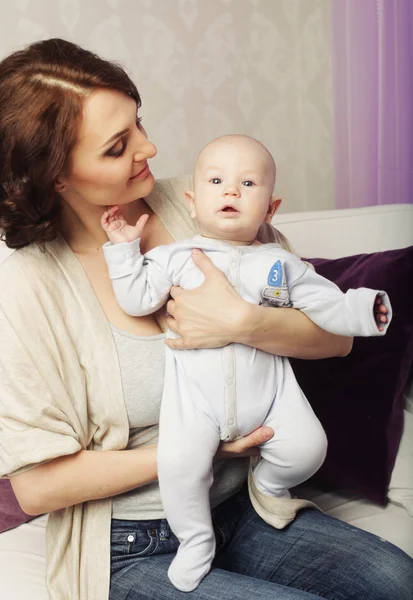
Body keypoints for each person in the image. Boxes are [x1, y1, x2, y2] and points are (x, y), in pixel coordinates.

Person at [0, 38, 411, 600]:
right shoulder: (25, 286)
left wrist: (244, 322)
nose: (150, 146)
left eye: (138, 121)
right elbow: (36, 487)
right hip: (132, 543)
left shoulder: (199, 201)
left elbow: (335, 339)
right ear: (57, 177)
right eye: (119, 146)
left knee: (395, 579)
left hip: (244, 506)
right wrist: (199, 450)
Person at [101, 134, 391, 592]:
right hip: (197, 403)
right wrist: (122, 251)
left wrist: (363, 309)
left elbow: (326, 304)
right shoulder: (176, 257)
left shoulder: (281, 264)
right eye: (217, 181)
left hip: (270, 400)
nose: (232, 191)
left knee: (308, 447)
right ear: (193, 204)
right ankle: (195, 539)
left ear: (270, 209)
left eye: (248, 183)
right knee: (181, 464)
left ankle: (270, 486)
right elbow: (137, 298)